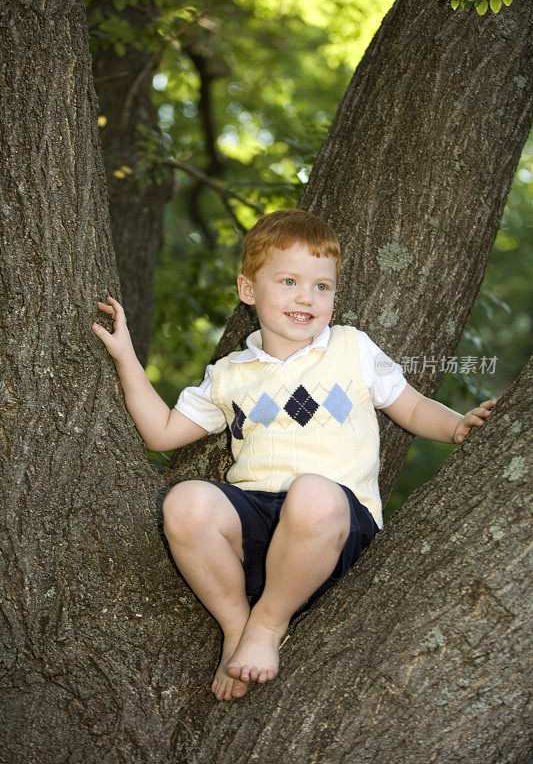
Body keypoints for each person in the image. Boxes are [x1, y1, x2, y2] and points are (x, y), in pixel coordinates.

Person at [91, 208, 497, 703]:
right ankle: (238, 626)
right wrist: (125, 355)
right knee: (185, 501)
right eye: (288, 281)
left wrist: (456, 424)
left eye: (321, 287)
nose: (306, 297)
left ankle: (268, 623)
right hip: (256, 529)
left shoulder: (351, 348)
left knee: (312, 494)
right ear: (248, 290)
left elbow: (409, 405)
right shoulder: (230, 373)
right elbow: (161, 432)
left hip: (335, 529)